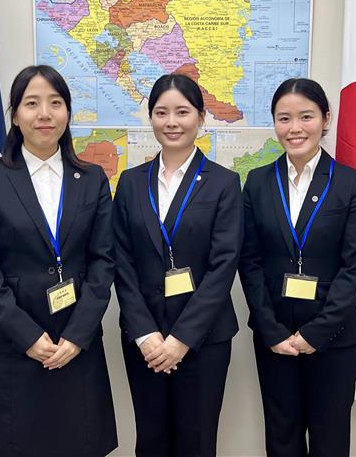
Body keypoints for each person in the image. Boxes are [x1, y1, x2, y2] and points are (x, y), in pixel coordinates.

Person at [0, 65, 117, 457]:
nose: (44, 114)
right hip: (11, 347)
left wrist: (78, 336)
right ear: (15, 115)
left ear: (67, 112)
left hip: (75, 345)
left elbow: (103, 263)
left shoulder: (94, 178)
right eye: (32, 103)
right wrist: (28, 336)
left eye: (55, 103)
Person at [238, 77, 356, 457]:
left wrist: (316, 332)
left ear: (325, 119)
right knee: (281, 439)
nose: (294, 128)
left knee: (330, 441)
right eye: (284, 118)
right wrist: (270, 328)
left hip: (334, 338)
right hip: (274, 337)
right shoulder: (259, 182)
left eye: (306, 116)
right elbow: (249, 261)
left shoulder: (350, 184)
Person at [113, 73, 242, 457]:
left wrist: (180, 340)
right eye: (161, 112)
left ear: (201, 117)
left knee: (196, 442)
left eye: (182, 112)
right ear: (150, 117)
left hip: (203, 340)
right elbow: (122, 262)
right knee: (150, 441)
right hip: (144, 341)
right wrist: (147, 335)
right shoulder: (131, 183)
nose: (172, 122)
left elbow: (223, 267)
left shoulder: (223, 183)